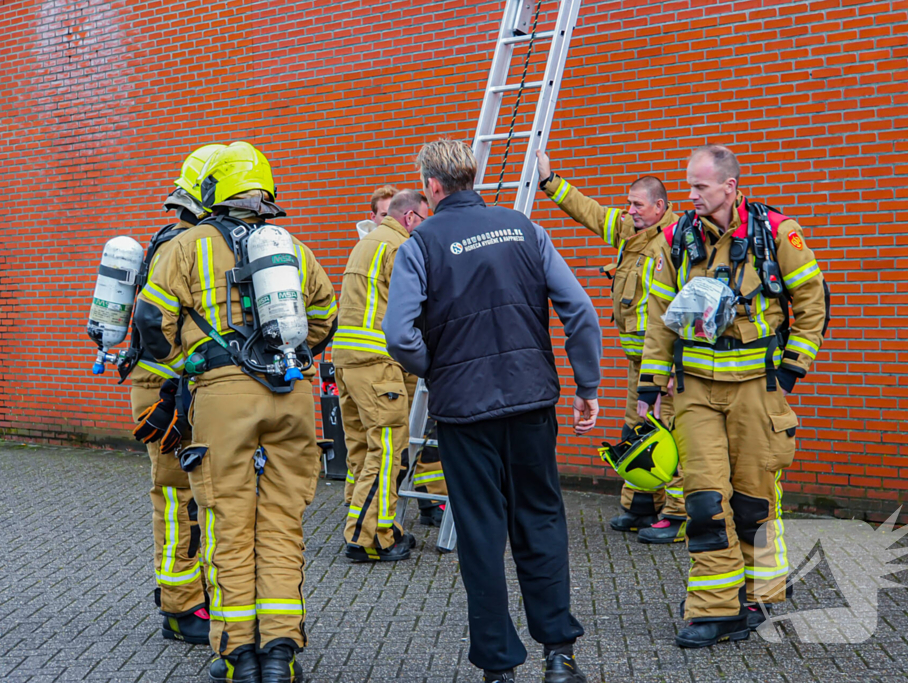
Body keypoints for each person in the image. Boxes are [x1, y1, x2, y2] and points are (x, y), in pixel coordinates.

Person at [383, 139, 602, 683]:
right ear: (471, 176)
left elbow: (398, 334)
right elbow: (579, 310)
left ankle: (499, 668)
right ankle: (559, 654)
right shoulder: (526, 229)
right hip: (531, 403)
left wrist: (440, 368)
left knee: (480, 531)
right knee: (541, 518)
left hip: (464, 413)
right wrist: (587, 385)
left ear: (432, 186)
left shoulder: (419, 243)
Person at [135, 141, 338, 682]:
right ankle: (280, 655)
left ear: (211, 192)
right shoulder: (292, 246)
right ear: (265, 192)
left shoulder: (187, 246)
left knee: (228, 523)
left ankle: (238, 657)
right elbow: (323, 319)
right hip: (291, 396)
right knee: (280, 524)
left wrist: (195, 367)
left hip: (222, 401)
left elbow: (151, 327)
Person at [637, 145, 828, 648]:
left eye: (700, 186)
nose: (691, 195)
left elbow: (813, 302)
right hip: (696, 390)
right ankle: (716, 608)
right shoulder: (676, 238)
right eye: (688, 185)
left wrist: (790, 372)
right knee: (702, 499)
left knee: (754, 499)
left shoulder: (774, 234)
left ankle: (760, 596)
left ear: (730, 186)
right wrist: (649, 387)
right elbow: (657, 319)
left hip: (757, 392)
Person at [535, 149, 687, 543]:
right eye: (628, 203)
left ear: (660, 206)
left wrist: (672, 365)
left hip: (666, 363)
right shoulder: (630, 232)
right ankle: (640, 505)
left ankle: (679, 514)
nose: (630, 210)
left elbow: (681, 310)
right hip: (638, 361)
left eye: (637, 205)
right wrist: (550, 181)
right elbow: (591, 212)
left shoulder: (675, 242)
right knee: (637, 429)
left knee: (670, 434)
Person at [128, 144, 224, 645]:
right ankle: (179, 606)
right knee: (177, 497)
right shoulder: (182, 245)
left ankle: (185, 593)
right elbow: (157, 326)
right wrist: (180, 380)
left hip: (171, 385)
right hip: (168, 389)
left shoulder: (176, 238)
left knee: (188, 494)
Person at [333, 189, 439, 562]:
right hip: (378, 364)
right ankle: (368, 539)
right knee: (388, 451)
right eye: (426, 219)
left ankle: (374, 521)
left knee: (362, 450)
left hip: (348, 361)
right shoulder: (400, 246)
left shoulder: (370, 241)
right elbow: (419, 304)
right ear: (410, 218)